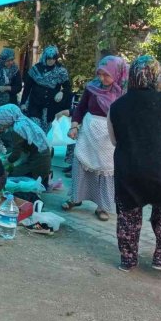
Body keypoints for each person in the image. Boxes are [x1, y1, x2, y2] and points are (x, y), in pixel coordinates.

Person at [108, 55, 161, 272]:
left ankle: (128, 260)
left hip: (128, 168)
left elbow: (114, 140)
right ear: (155, 75)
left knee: (128, 218)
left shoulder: (116, 105)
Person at [62, 56, 129, 221]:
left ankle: (102, 206)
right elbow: (81, 108)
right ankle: (75, 198)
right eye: (100, 74)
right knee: (80, 164)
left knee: (106, 170)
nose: (102, 78)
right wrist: (74, 126)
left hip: (109, 137)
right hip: (89, 132)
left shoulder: (124, 93)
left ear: (117, 73)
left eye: (106, 75)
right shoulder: (92, 87)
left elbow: (127, 117)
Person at [0, 104, 52, 186]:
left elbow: (16, 155)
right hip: (44, 160)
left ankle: (40, 181)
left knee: (9, 176)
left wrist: (2, 164)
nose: (0, 124)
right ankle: (44, 180)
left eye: (0, 120)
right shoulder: (24, 121)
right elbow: (24, 148)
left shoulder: (18, 129)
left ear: (7, 118)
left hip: (38, 164)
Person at [21, 46, 71, 126]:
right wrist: (23, 103)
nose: (51, 61)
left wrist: (62, 92)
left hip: (51, 107)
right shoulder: (36, 69)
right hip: (35, 105)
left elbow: (68, 87)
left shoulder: (61, 71)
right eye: (49, 59)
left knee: (47, 133)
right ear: (45, 57)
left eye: (54, 59)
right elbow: (27, 88)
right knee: (35, 129)